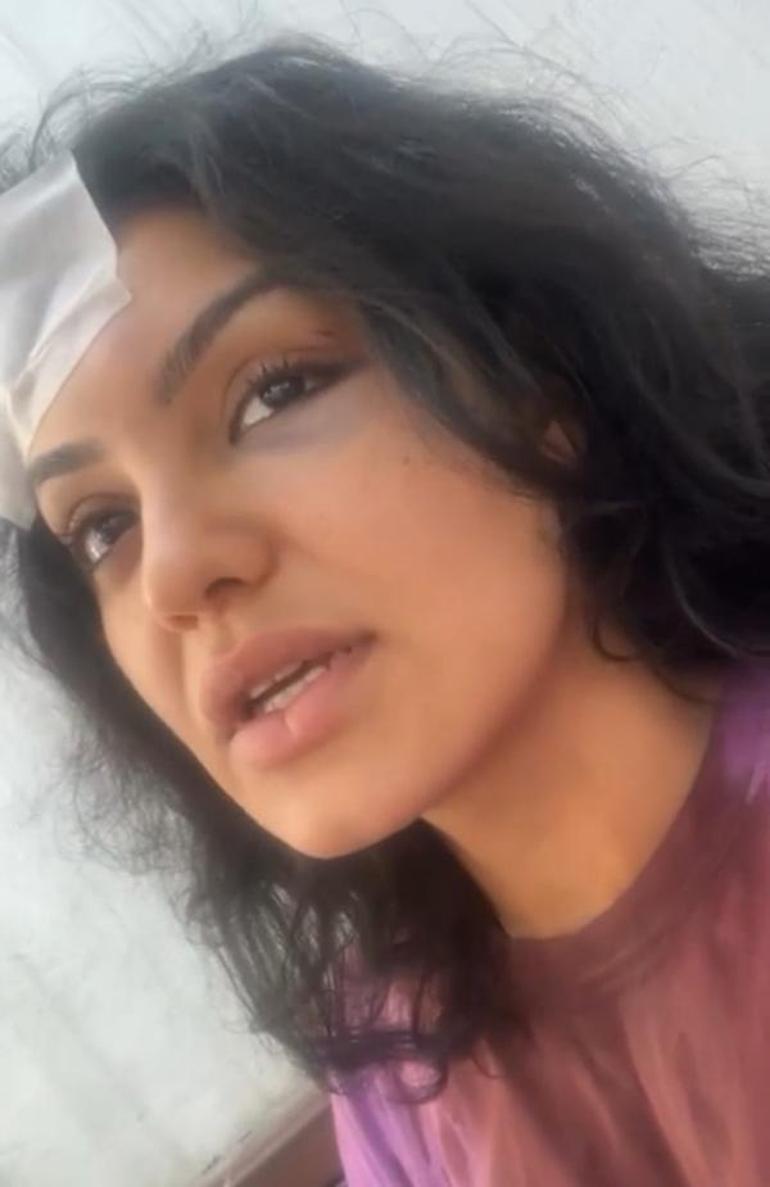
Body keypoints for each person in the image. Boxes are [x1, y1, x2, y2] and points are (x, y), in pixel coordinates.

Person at [2, 36, 770, 1186]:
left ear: (535, 378)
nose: (172, 573)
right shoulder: (398, 1078)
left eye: (273, 391)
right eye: (102, 526)